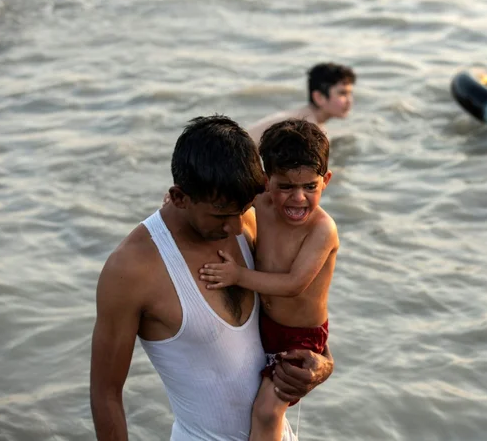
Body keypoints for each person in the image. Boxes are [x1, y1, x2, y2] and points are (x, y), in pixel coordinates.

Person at [90, 115, 334, 441]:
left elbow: (297, 316)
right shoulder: (132, 269)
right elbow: (106, 394)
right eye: (221, 216)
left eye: (243, 209)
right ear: (179, 198)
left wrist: (322, 366)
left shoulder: (246, 215)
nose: (236, 227)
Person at [198, 119, 338, 441]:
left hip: (299, 339)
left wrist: (238, 276)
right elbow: (222, 195)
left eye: (310, 187)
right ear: (266, 181)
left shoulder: (322, 229)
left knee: (267, 411)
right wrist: (173, 201)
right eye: (285, 186)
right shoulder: (260, 203)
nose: (297, 198)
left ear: (325, 181)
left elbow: (293, 284)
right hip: (263, 325)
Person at [247, 63, 356, 144]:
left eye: (350, 93)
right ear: (319, 97)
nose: (349, 100)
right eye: (342, 93)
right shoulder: (306, 129)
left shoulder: (303, 118)